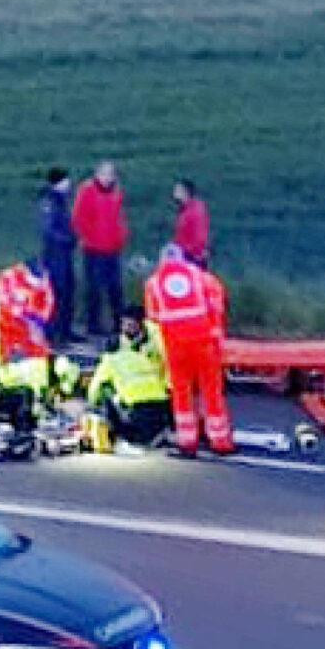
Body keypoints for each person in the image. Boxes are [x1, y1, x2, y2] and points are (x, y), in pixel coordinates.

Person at [144, 244, 232, 456]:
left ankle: (187, 440)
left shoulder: (153, 283)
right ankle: (219, 440)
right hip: (204, 342)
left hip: (175, 346)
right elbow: (218, 302)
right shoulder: (200, 277)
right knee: (211, 390)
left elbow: (153, 316)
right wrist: (216, 331)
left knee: (181, 392)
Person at [87, 310, 172, 447]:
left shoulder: (112, 358)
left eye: (130, 325)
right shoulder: (143, 353)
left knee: (106, 393)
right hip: (160, 399)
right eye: (124, 325)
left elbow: (96, 386)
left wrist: (92, 404)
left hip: (139, 404)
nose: (126, 329)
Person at [75, 162, 129, 342]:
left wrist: (121, 237)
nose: (107, 178)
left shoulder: (116, 192)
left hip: (113, 248)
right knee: (95, 288)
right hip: (94, 249)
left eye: (110, 174)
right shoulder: (87, 191)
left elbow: (119, 217)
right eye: (104, 174)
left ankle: (119, 323)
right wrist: (89, 238)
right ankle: (93, 325)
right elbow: (80, 218)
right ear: (97, 174)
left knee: (116, 288)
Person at [36, 168, 79, 347]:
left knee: (68, 291)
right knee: (57, 294)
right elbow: (49, 230)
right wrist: (68, 239)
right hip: (55, 255)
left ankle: (65, 330)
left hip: (64, 254)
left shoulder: (61, 200)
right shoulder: (49, 201)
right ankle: (54, 334)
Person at [0, 257, 56, 365]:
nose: (38, 282)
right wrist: (21, 314)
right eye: (35, 278)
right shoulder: (9, 277)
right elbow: (3, 299)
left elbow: (48, 303)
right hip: (7, 323)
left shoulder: (44, 282)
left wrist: (39, 321)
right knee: (2, 353)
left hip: (32, 325)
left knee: (42, 354)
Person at [171, 178, 211, 267]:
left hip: (193, 257)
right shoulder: (185, 210)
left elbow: (199, 237)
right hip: (185, 255)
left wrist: (188, 252)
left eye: (177, 190)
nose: (174, 193)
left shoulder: (196, 210)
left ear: (185, 192)